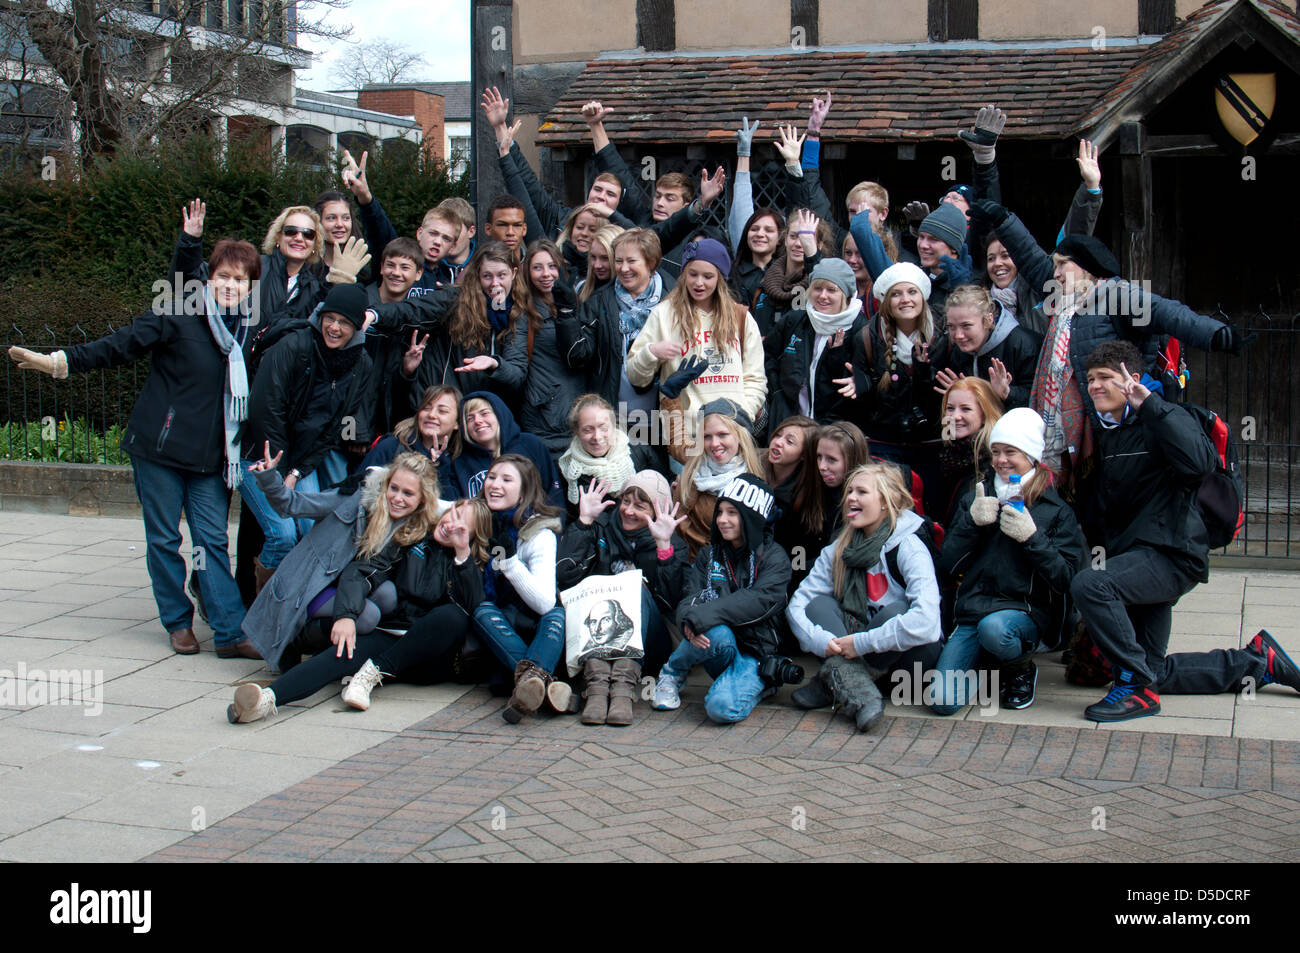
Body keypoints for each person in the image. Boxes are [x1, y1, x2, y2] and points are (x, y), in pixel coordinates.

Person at [9, 227, 262, 659]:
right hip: (159, 450)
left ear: (250, 287)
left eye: (240, 280)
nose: (231, 286)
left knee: (210, 543)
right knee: (164, 539)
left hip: (211, 459)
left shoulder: (249, 334)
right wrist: (59, 362)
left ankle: (229, 632)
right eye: (223, 276)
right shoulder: (178, 315)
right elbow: (118, 345)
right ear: (209, 278)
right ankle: (178, 622)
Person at [967, 202, 1243, 475]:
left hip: (1113, 423)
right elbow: (1028, 255)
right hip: (1071, 424)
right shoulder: (1061, 297)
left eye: (1063, 265)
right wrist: (1003, 219)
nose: (1056, 273)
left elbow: (1167, 312)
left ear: (1086, 268)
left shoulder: (1117, 296)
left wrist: (1216, 335)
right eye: (1055, 266)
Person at [228, 459, 491, 722]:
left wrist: (462, 555)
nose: (451, 525)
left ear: (472, 536)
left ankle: (372, 673)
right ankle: (265, 700)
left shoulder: (466, 565)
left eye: (462, 525)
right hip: (389, 635)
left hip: (425, 655)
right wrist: (346, 616)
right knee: (342, 653)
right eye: (453, 514)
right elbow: (362, 571)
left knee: (452, 616)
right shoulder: (412, 537)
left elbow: (472, 606)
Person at [1067, 341, 1222, 721]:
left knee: (1091, 584)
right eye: (1090, 379)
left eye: (1105, 377)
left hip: (1171, 553)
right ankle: (1256, 662)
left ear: (1131, 380)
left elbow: (1200, 464)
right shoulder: (1108, 431)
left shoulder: (1166, 415)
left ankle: (1136, 689)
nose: (1095, 386)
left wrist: (1151, 404)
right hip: (1137, 555)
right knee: (1156, 669)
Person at [930, 408, 1087, 715]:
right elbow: (947, 563)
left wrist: (1032, 539)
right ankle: (989, 666)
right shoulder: (978, 495)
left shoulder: (1055, 509)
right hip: (973, 611)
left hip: (1021, 613)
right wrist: (972, 525)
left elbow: (1067, 579)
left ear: (1031, 455)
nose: (1001, 460)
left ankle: (1019, 668)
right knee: (943, 701)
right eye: (996, 452)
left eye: (1011, 452)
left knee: (995, 629)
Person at [237, 283, 377, 590]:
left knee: (309, 534)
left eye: (345, 322)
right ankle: (266, 606)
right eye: (330, 318)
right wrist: (283, 470)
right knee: (283, 535)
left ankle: (290, 612)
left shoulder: (360, 363)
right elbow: (265, 408)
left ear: (356, 327)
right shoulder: (295, 345)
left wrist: (299, 470)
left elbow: (334, 428)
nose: (334, 328)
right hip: (259, 456)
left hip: (302, 461)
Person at [786, 463, 943, 731]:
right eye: (849, 492)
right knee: (819, 605)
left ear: (886, 502)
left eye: (861, 492)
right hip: (852, 646)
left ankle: (835, 681)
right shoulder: (839, 547)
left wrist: (861, 643)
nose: (850, 498)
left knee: (897, 611)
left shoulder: (909, 547)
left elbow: (927, 622)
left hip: (905, 662)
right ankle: (861, 691)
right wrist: (819, 640)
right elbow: (797, 605)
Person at [652, 474, 795, 724]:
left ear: (751, 517)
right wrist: (690, 618)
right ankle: (671, 675)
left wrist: (700, 617)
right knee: (715, 630)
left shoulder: (775, 557)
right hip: (717, 643)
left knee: (721, 709)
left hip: (756, 652)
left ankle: (755, 684)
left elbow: (758, 600)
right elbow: (690, 598)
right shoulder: (710, 554)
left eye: (732, 513)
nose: (722, 520)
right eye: (720, 512)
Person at [557, 470, 690, 720]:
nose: (628, 511)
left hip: (650, 639)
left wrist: (664, 548)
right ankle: (596, 690)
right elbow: (566, 577)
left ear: (656, 512)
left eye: (640, 506)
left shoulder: (672, 543)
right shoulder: (601, 527)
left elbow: (673, 602)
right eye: (626, 502)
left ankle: (621, 691)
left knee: (634, 585)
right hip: (597, 637)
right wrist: (584, 523)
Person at [625, 238, 767, 460]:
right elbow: (636, 376)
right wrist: (651, 352)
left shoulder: (740, 317)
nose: (699, 283)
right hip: (687, 438)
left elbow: (755, 379)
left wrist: (739, 417)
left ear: (721, 278)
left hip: (732, 435)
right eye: (693, 274)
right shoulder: (664, 314)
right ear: (683, 275)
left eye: (708, 276)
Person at [367, 242, 528, 405]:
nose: (495, 283)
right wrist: (375, 314)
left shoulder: (517, 314)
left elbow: (517, 374)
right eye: (487, 276)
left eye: (502, 275)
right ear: (478, 275)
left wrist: (495, 363)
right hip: (443, 403)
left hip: (485, 413)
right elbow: (415, 310)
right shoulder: (455, 298)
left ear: (513, 273)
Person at [473, 454, 569, 724]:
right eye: (491, 477)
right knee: (481, 610)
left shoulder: (540, 532)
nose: (495, 485)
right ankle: (543, 684)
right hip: (502, 629)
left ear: (525, 490)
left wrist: (511, 562)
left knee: (557, 612)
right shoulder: (476, 517)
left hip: (537, 630)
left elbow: (543, 603)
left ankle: (530, 681)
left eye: (506, 479)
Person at [556, 228, 676, 424]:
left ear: (651, 263)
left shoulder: (674, 299)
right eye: (619, 261)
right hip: (616, 416)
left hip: (665, 417)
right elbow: (577, 355)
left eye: (631, 261)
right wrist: (567, 314)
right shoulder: (600, 301)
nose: (624, 268)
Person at [764, 257, 870, 427]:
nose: (823, 296)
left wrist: (859, 381)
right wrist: (778, 393)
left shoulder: (860, 329)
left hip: (835, 429)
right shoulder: (795, 320)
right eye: (817, 288)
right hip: (791, 422)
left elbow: (869, 378)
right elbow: (768, 356)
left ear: (846, 294)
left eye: (831, 290)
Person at [514, 240, 589, 453]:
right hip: (544, 414)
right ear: (528, 272)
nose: (546, 274)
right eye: (537, 267)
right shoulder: (523, 311)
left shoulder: (578, 301)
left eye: (552, 266)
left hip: (578, 406)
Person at [675, 400, 766, 556]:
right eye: (707, 437)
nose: (714, 444)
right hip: (695, 565)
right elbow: (679, 527)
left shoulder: (757, 477)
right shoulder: (691, 476)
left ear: (740, 435)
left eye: (722, 434)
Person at [930, 283, 1041, 410]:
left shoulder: (1024, 345)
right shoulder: (958, 350)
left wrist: (1007, 393)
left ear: (988, 320)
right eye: (951, 327)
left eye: (966, 326)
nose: (958, 335)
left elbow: (1038, 398)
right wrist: (960, 393)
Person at [446, 391, 563, 506]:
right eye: (469, 418)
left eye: (484, 413)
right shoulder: (460, 462)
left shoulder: (529, 444)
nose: (478, 421)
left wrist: (555, 523)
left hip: (535, 523)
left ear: (500, 414)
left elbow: (553, 492)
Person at [557, 394, 662, 520]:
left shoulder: (638, 450)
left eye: (603, 428)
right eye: (587, 430)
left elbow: (664, 485)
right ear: (577, 432)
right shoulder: (569, 471)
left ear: (613, 425)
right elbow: (570, 520)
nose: (597, 436)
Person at [764, 415, 824, 592]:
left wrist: (792, 582)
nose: (778, 442)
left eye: (789, 442)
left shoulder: (806, 496)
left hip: (787, 571)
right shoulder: (755, 466)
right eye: (778, 435)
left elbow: (801, 551)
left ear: (804, 455)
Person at [361, 385, 462, 490]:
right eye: (426, 408)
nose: (431, 415)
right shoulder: (391, 447)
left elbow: (450, 504)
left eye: (442, 411)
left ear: (457, 423)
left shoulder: (459, 461)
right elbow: (358, 489)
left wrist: (441, 465)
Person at [935, 377, 1004, 529]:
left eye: (966, 409)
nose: (955, 416)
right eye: (950, 408)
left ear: (985, 414)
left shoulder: (994, 464)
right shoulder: (947, 455)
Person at [815, 420, 871, 545]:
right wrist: (800, 565)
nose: (822, 466)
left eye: (832, 459)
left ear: (853, 459)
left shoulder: (870, 501)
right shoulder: (816, 487)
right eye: (819, 457)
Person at [577, 223, 624, 303]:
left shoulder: (633, 298)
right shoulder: (581, 288)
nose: (597, 265)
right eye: (593, 257)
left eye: (605, 258)